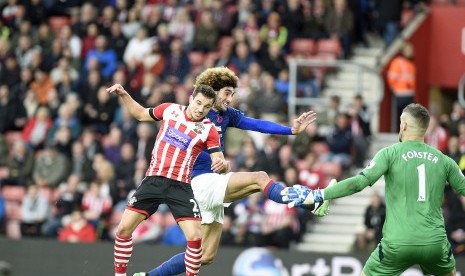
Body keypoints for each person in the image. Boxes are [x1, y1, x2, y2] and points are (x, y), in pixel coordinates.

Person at [137, 67, 325, 276]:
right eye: (227, 93)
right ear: (213, 91)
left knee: (204, 256)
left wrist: (290, 130)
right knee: (259, 178)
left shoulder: (226, 115)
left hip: (209, 184)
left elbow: (257, 124)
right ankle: (308, 201)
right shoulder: (194, 112)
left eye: (232, 94)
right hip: (197, 183)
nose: (230, 99)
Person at [282, 103, 463, 276]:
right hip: (434, 243)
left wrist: (319, 194)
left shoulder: (390, 153)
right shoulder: (444, 160)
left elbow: (358, 183)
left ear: (404, 125)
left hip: (397, 244)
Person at [107, 83, 228, 276]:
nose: (200, 109)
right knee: (123, 230)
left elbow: (218, 159)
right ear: (191, 98)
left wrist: (223, 165)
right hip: (154, 180)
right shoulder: (170, 110)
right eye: (198, 103)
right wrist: (124, 94)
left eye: (206, 107)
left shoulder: (209, 130)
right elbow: (139, 114)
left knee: (195, 238)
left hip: (180, 186)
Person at [387, 42, 416, 130]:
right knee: (401, 118)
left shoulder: (411, 64)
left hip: (409, 94)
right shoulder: (397, 62)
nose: (411, 52)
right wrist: (394, 89)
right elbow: (391, 77)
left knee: (410, 117)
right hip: (400, 94)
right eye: (409, 50)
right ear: (403, 51)